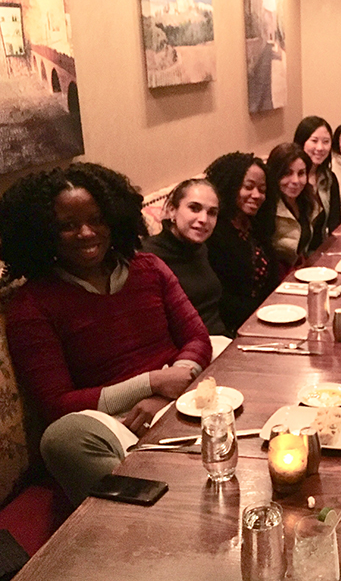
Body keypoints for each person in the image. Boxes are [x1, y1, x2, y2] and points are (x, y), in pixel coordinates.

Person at [0, 163, 212, 505]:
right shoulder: (32, 305)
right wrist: (151, 383)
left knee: (226, 345)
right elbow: (58, 404)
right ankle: (151, 511)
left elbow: (199, 338)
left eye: (97, 219)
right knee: (61, 438)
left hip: (180, 394)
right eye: (67, 226)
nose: (86, 233)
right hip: (112, 426)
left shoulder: (149, 268)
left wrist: (168, 391)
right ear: (42, 233)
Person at [142, 178, 228, 337]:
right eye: (194, 208)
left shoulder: (200, 248)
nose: (204, 219)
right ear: (171, 210)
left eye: (212, 213)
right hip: (189, 349)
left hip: (221, 340)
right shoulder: (148, 258)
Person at [204, 152, 280, 332]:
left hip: (266, 318)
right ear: (230, 186)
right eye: (248, 187)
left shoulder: (255, 225)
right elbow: (222, 298)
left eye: (262, 189)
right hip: (233, 328)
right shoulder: (214, 232)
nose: (257, 195)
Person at [264, 142, 321, 268]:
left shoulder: (307, 201)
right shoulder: (266, 207)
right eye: (287, 173)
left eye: (301, 173)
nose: (295, 181)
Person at [294, 116, 340, 248]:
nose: (320, 148)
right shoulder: (291, 180)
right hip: (295, 257)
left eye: (326, 142)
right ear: (301, 142)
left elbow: (334, 226)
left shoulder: (329, 179)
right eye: (314, 141)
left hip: (320, 253)